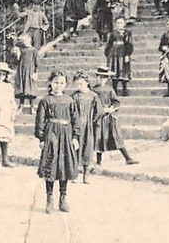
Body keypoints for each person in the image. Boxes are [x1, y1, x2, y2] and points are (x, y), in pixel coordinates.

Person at [35, 70, 81, 213]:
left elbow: (76, 120)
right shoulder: (45, 100)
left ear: (65, 84)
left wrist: (75, 137)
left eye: (61, 83)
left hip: (66, 135)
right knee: (51, 165)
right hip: (51, 134)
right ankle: (49, 199)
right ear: (50, 83)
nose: (58, 85)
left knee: (64, 166)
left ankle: (63, 198)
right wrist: (41, 138)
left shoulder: (69, 100)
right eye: (56, 82)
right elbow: (40, 121)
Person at [92, 66, 138, 166]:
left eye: (104, 77)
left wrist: (112, 108)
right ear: (97, 77)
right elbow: (92, 105)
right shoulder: (93, 90)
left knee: (116, 136)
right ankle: (99, 161)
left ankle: (127, 158)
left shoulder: (109, 89)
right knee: (99, 138)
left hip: (109, 118)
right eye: (100, 77)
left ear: (107, 79)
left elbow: (116, 102)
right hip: (99, 118)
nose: (102, 79)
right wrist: (101, 110)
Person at [71, 69, 102, 184]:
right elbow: (70, 111)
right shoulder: (74, 96)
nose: (79, 86)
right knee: (75, 149)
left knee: (87, 150)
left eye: (81, 84)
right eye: (77, 84)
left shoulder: (93, 96)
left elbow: (99, 111)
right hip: (76, 127)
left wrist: (91, 121)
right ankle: (74, 173)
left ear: (87, 83)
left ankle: (86, 174)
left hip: (88, 127)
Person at [104, 15, 133, 96]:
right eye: (117, 23)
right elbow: (109, 44)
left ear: (124, 24)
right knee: (114, 71)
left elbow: (129, 44)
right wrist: (107, 54)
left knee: (124, 71)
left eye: (121, 23)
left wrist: (127, 54)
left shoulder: (127, 33)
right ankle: (115, 89)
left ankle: (124, 89)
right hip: (114, 55)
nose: (119, 25)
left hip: (123, 54)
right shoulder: (113, 34)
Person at [14, 33, 39, 112]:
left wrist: (36, 72)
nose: (23, 42)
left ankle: (32, 107)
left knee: (30, 89)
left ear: (29, 40)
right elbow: (18, 61)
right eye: (22, 41)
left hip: (30, 71)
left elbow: (37, 63)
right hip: (22, 71)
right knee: (22, 89)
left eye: (24, 40)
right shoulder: (21, 50)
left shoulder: (34, 51)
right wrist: (17, 55)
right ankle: (21, 106)